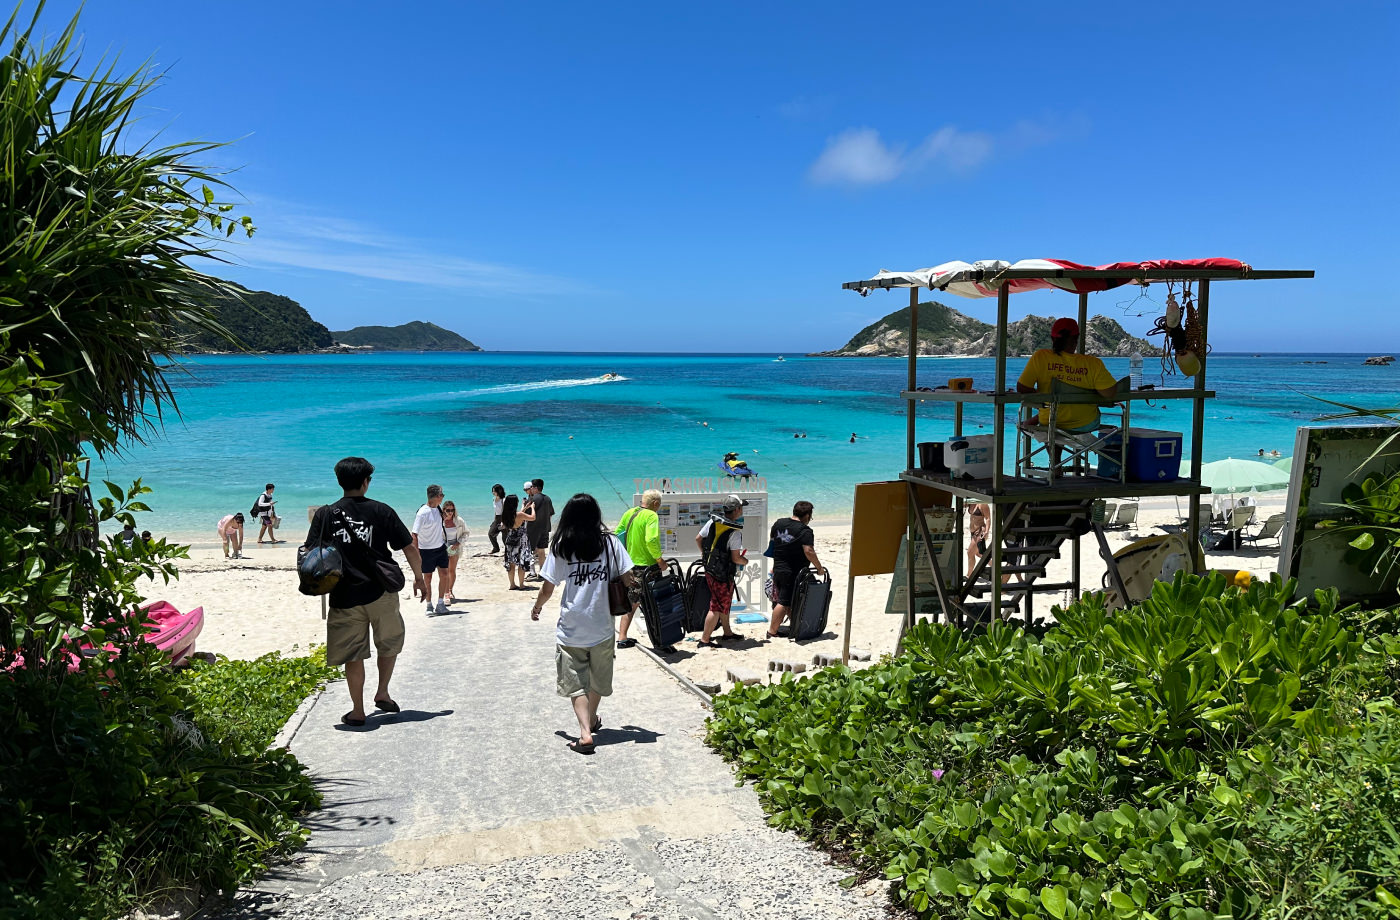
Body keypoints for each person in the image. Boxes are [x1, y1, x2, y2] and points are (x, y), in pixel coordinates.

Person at [305, 457, 424, 727]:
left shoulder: (325, 514)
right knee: (389, 643)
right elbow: (408, 548)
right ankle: (382, 692)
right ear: (366, 482)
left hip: (343, 595)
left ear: (339, 481)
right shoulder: (382, 511)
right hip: (380, 591)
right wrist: (419, 578)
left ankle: (357, 710)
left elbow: (312, 552)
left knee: (353, 654)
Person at [529, 493, 636, 755]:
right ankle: (593, 717)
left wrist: (537, 606)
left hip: (572, 625)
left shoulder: (563, 545)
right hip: (601, 624)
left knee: (576, 683)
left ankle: (586, 732)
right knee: (598, 678)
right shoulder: (610, 543)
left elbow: (548, 586)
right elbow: (629, 578)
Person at [1016, 318, 1118, 431]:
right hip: (1086, 423)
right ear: (1077, 338)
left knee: (1052, 422)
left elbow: (1022, 387)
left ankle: (1053, 448)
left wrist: (1043, 399)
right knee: (1061, 423)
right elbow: (1110, 393)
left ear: (1052, 338)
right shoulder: (1093, 363)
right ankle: (1082, 447)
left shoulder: (1041, 357)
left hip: (1050, 423)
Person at [766, 501, 825, 640]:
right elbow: (808, 551)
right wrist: (819, 568)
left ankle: (796, 626)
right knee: (784, 601)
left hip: (778, 567)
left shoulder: (778, 523)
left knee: (789, 600)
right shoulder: (805, 531)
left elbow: (773, 543)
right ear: (807, 515)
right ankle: (772, 631)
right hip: (792, 571)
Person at [696, 494, 747, 647]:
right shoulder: (735, 532)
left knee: (723, 602)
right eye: (741, 507)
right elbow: (736, 558)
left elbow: (698, 538)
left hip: (709, 567)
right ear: (737, 510)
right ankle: (704, 640)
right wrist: (746, 561)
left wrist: (705, 554)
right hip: (722, 573)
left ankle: (727, 633)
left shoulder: (713, 522)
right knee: (717, 606)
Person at [614, 489, 663, 649]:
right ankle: (660, 639)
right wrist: (660, 560)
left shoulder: (630, 512)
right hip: (647, 567)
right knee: (655, 602)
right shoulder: (652, 516)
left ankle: (622, 637)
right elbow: (651, 539)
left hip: (629, 565)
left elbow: (617, 534)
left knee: (632, 601)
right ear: (655, 503)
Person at [413, 484, 450, 615]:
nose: (443, 497)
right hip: (426, 550)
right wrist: (417, 554)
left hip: (440, 547)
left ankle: (440, 603)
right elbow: (414, 534)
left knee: (445, 575)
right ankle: (429, 605)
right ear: (436, 496)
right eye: (442, 495)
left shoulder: (438, 509)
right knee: (427, 578)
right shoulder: (422, 513)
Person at [501, 493, 536, 590]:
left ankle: (512, 584)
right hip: (521, 540)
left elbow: (517, 517)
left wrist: (524, 508)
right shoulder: (519, 515)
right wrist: (532, 508)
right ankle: (521, 584)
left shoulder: (505, 515)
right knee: (521, 563)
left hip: (510, 540)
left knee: (511, 563)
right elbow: (533, 518)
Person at [523, 478, 555, 579]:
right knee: (541, 551)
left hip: (533, 529)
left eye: (532, 486)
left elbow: (525, 515)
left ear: (535, 488)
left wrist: (524, 506)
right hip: (545, 528)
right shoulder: (548, 498)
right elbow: (551, 514)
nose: (531, 488)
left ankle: (532, 573)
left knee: (530, 551)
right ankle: (542, 573)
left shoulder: (533, 499)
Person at [441, 500, 467, 604]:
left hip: (455, 547)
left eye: (452, 510)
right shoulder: (440, 521)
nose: (450, 512)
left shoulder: (459, 520)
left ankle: (450, 590)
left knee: (452, 570)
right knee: (445, 571)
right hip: (443, 547)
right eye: (448, 510)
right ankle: (446, 593)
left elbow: (466, 533)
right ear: (444, 510)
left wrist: (457, 544)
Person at [965, 502, 990, 574]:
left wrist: (986, 532)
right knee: (979, 554)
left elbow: (988, 518)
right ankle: (995, 567)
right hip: (972, 532)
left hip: (979, 531)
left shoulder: (982, 504)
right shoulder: (970, 502)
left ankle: (969, 575)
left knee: (970, 553)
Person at [487, 483, 506, 554]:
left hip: (503, 518)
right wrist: (495, 520)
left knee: (504, 537)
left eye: (494, 491)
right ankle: (496, 548)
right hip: (497, 518)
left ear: (499, 491)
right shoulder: (494, 499)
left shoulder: (503, 500)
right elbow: (496, 511)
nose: (493, 492)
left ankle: (508, 551)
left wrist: (503, 522)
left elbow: (504, 511)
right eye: (492, 491)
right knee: (490, 533)